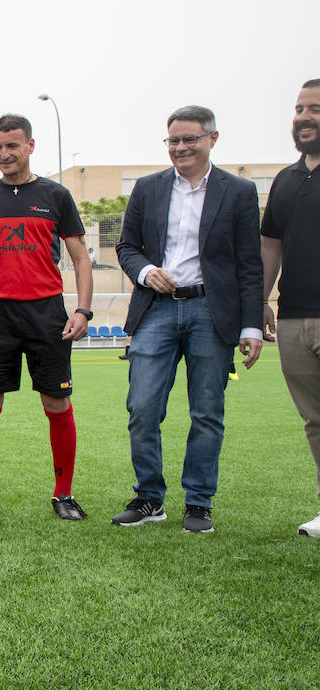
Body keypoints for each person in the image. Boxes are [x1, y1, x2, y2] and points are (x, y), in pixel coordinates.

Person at [113, 105, 263, 533]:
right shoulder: (147, 188)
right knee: (142, 408)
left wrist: (250, 325)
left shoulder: (238, 192)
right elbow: (127, 248)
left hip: (210, 312)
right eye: (173, 140)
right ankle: (149, 498)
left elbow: (249, 264)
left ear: (212, 139)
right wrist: (145, 271)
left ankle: (198, 503)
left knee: (207, 412)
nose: (180, 147)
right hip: (155, 309)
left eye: (190, 139)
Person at [0, 113, 94, 521]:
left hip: (46, 312)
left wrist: (83, 310)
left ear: (30, 146)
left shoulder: (56, 196)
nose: (4, 154)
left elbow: (81, 258)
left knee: (56, 402)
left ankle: (63, 494)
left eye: (12, 146)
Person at [262, 80, 320, 537]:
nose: (304, 117)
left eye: (315, 108)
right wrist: (260, 299)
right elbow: (271, 247)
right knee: (315, 420)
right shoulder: (285, 179)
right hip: (295, 317)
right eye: (299, 108)